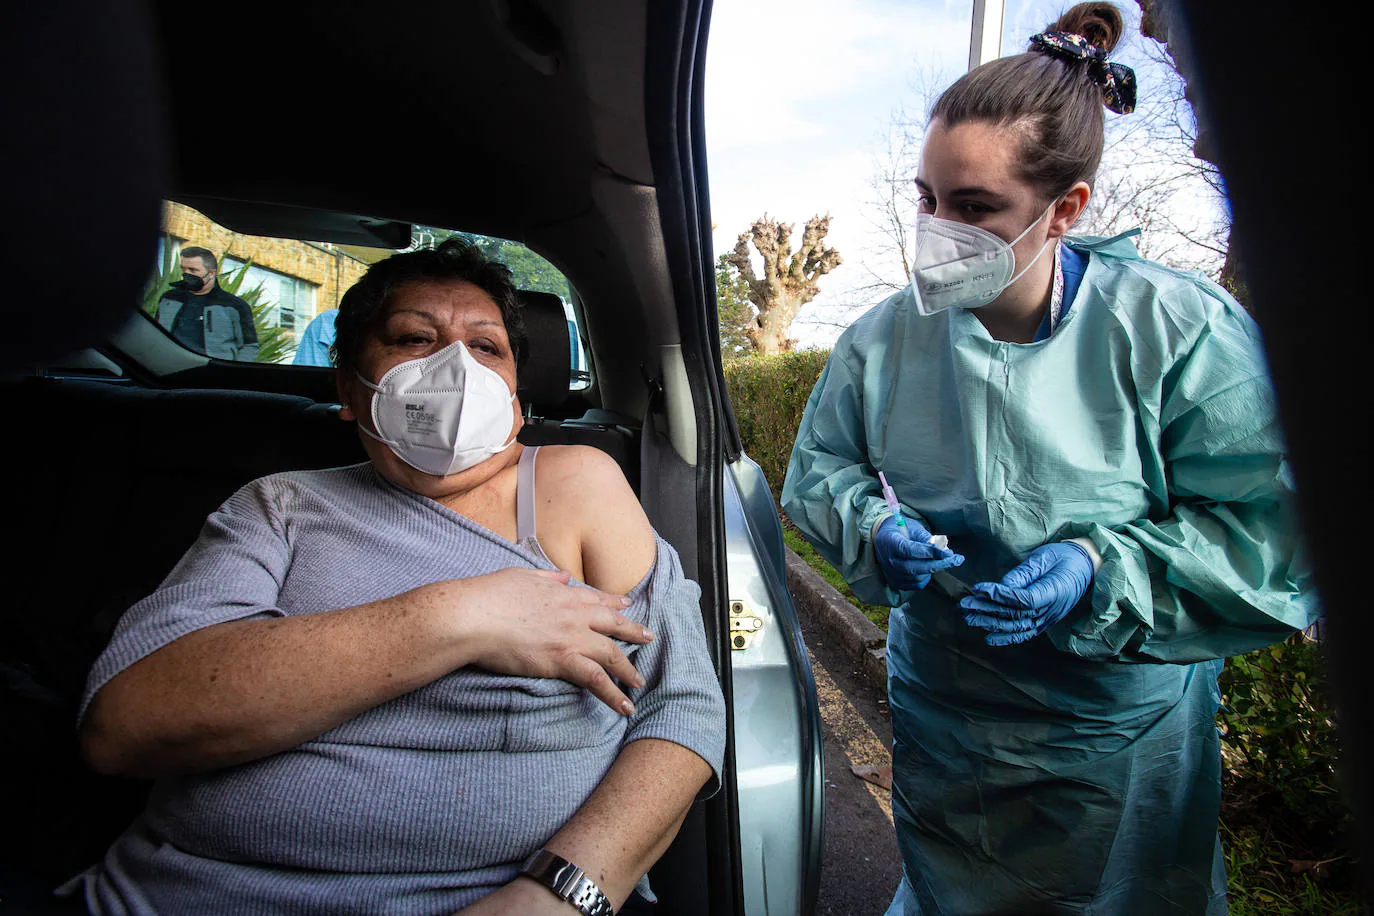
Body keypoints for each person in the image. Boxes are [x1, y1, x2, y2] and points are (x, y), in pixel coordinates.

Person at [781, 4, 1317, 913]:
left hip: (1112, 739)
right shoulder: (885, 340)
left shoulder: (1175, 331)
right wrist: (872, 525)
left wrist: (1101, 565)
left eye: (976, 207)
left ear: (1066, 208)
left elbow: (1275, 537)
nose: (938, 230)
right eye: (929, 199)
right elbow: (817, 472)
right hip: (946, 721)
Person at [65, 238, 725, 914]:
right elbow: (124, 726)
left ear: (516, 400)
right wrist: (457, 618)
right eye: (414, 337)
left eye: (487, 347)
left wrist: (562, 892)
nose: (456, 367)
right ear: (350, 388)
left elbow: (681, 706)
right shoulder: (281, 504)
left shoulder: (576, 485)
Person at [155, 245, 260, 361]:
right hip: (169, 368)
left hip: (212, 374)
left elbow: (249, 346)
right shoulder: (169, 299)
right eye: (183, 269)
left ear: (211, 273)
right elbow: (155, 334)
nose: (186, 274)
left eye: (193, 270)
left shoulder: (234, 306)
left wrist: (231, 373)